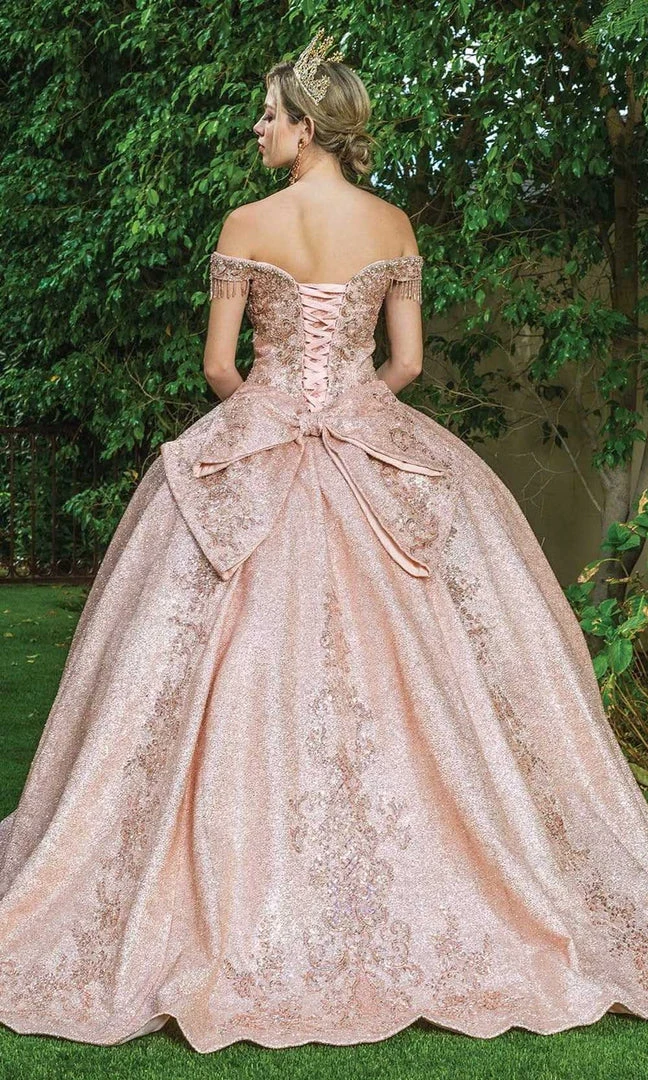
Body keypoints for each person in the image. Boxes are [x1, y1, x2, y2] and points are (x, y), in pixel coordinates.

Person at [0, 26, 647, 1055]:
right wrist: (349, 413)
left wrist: (275, 419)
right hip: (368, 434)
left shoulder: (247, 224)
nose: (257, 130)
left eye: (267, 116)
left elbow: (221, 368)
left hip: (258, 432)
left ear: (306, 127)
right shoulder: (392, 222)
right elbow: (409, 363)